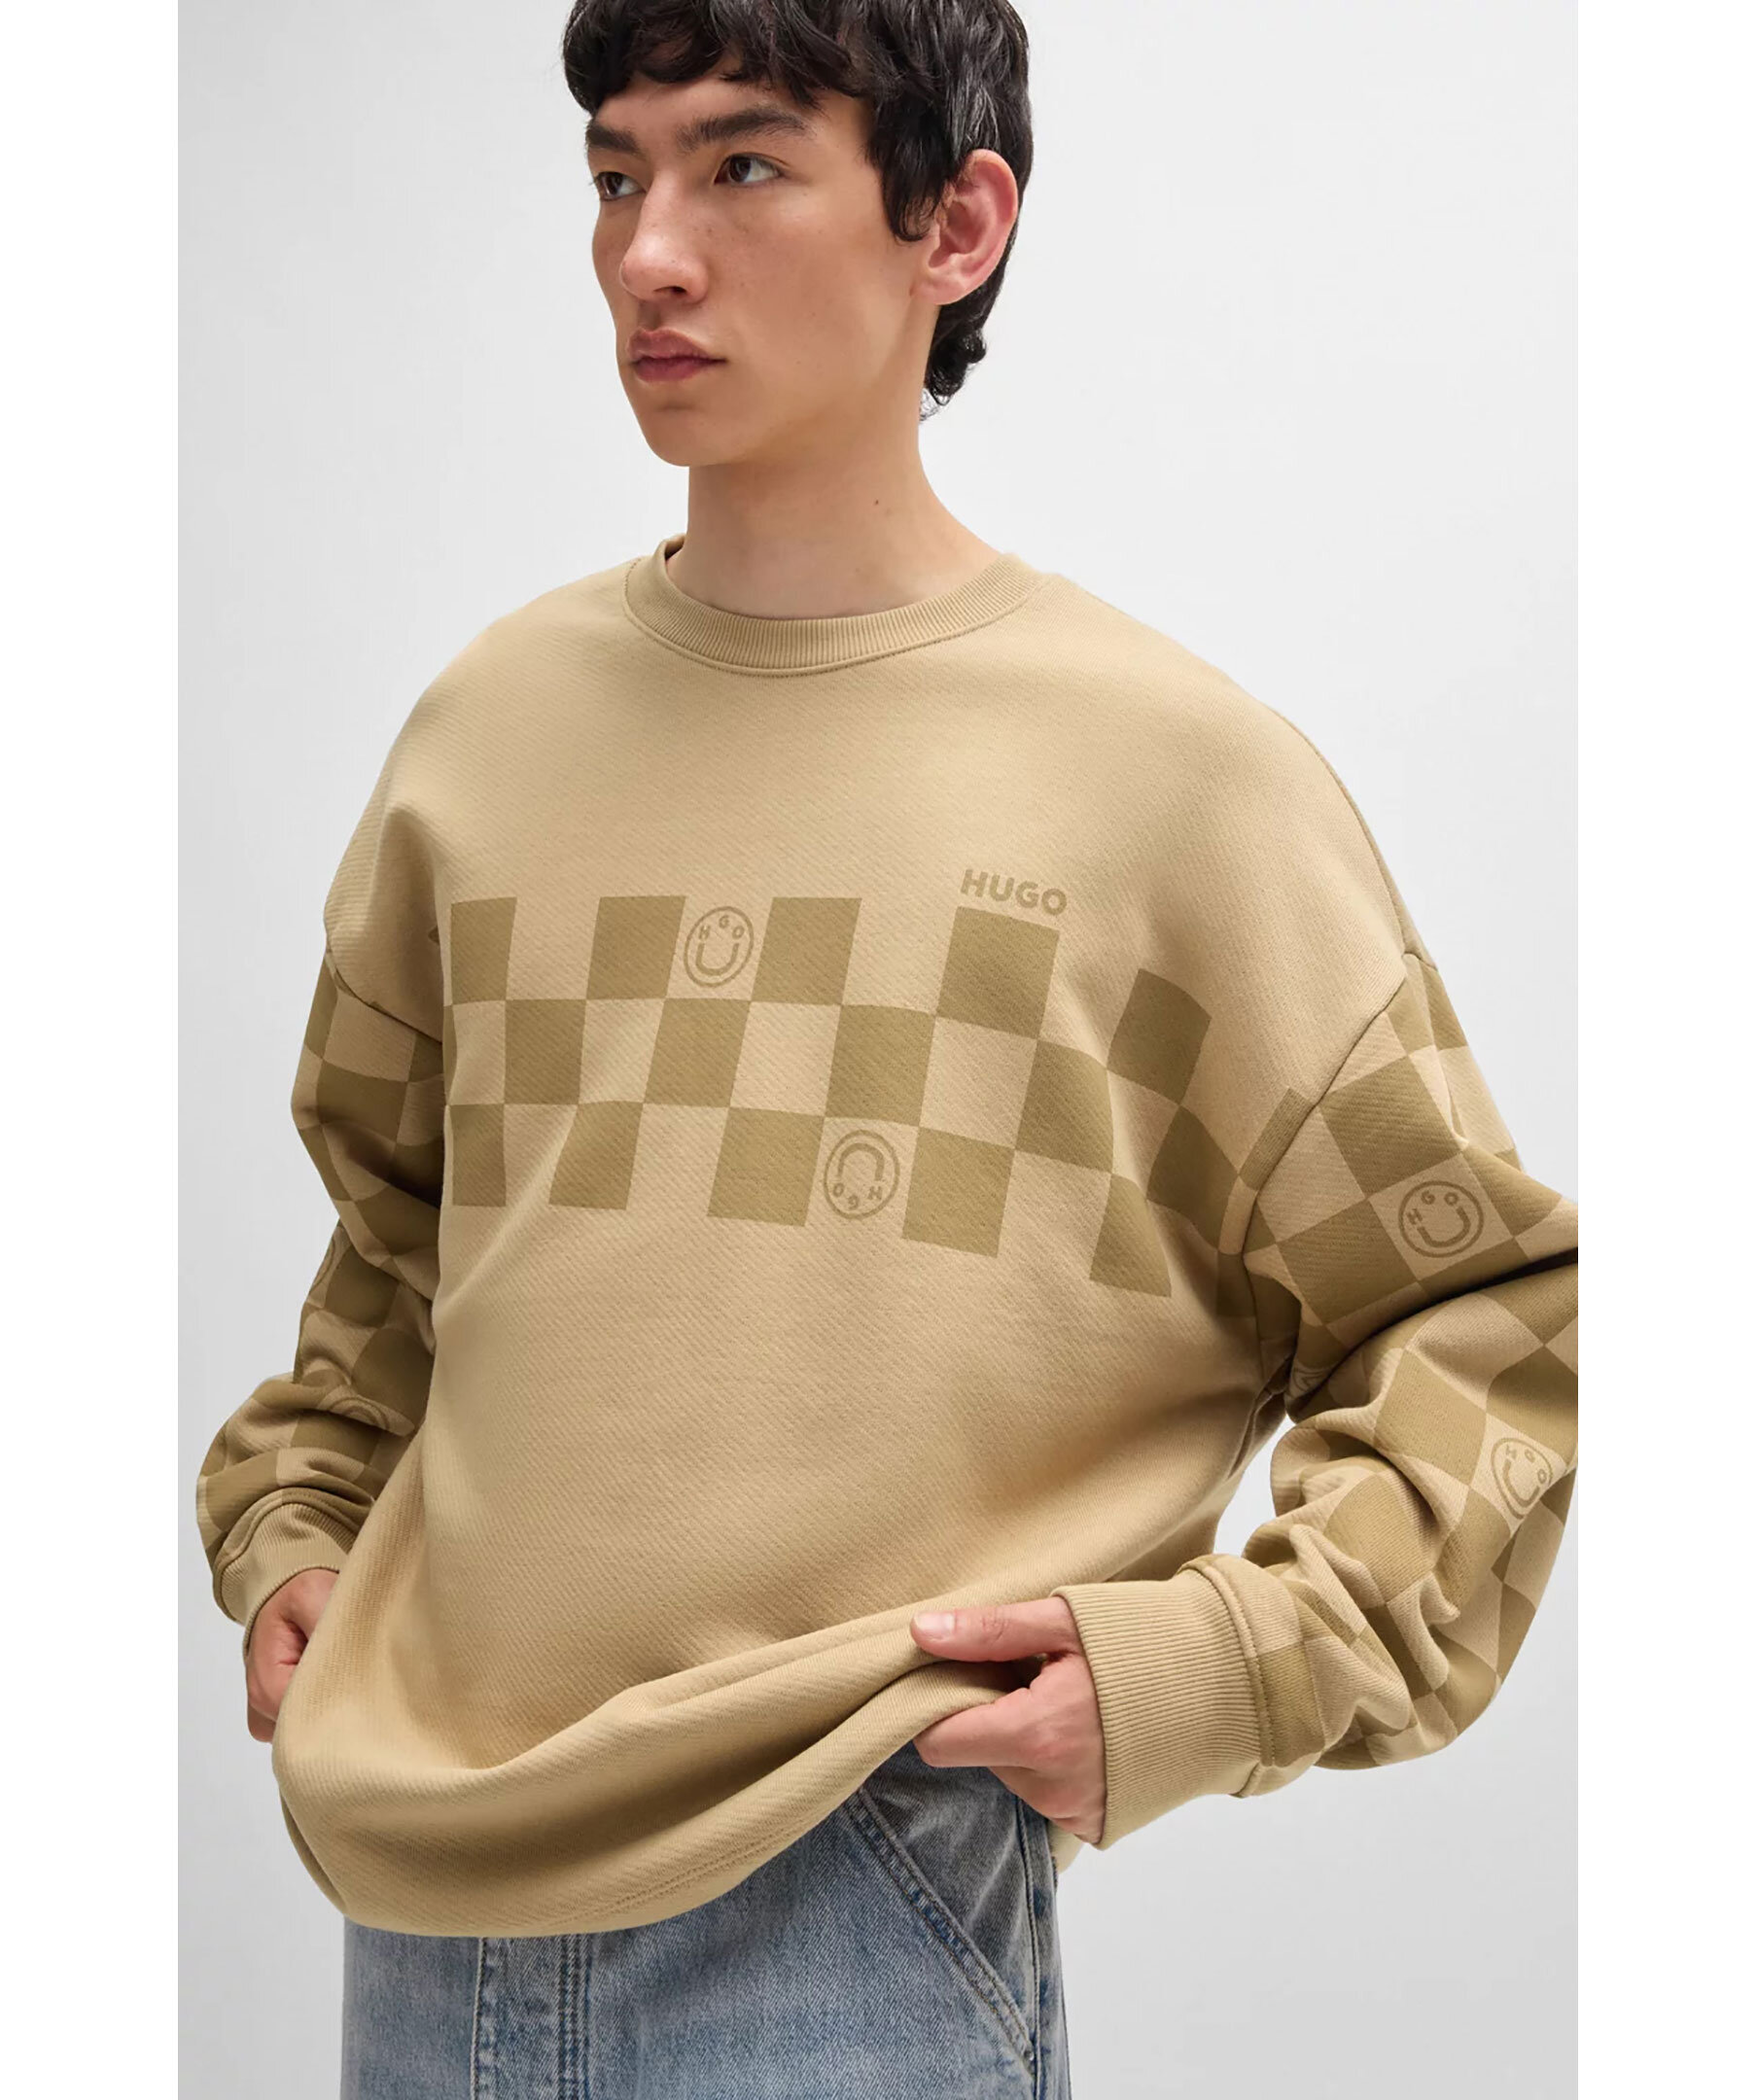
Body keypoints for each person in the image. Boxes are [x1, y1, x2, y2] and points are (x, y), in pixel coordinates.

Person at [193, 3, 1578, 2094]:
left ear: (959, 224)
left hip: (860, 1887)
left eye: (742, 165)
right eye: (614, 173)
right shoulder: (485, 735)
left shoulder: (1182, 787)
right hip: (420, 1897)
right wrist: (298, 1520)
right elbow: (405, 1248)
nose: (650, 251)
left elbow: (1483, 1313)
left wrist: (1221, 1663)